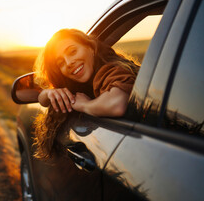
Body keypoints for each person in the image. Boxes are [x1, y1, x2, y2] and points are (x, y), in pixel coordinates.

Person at [33, 28, 140, 159]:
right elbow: (42, 99)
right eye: (61, 63)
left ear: (91, 47)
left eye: (72, 52)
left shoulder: (111, 70)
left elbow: (117, 104)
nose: (68, 63)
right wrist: (48, 93)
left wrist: (85, 105)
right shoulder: (85, 82)